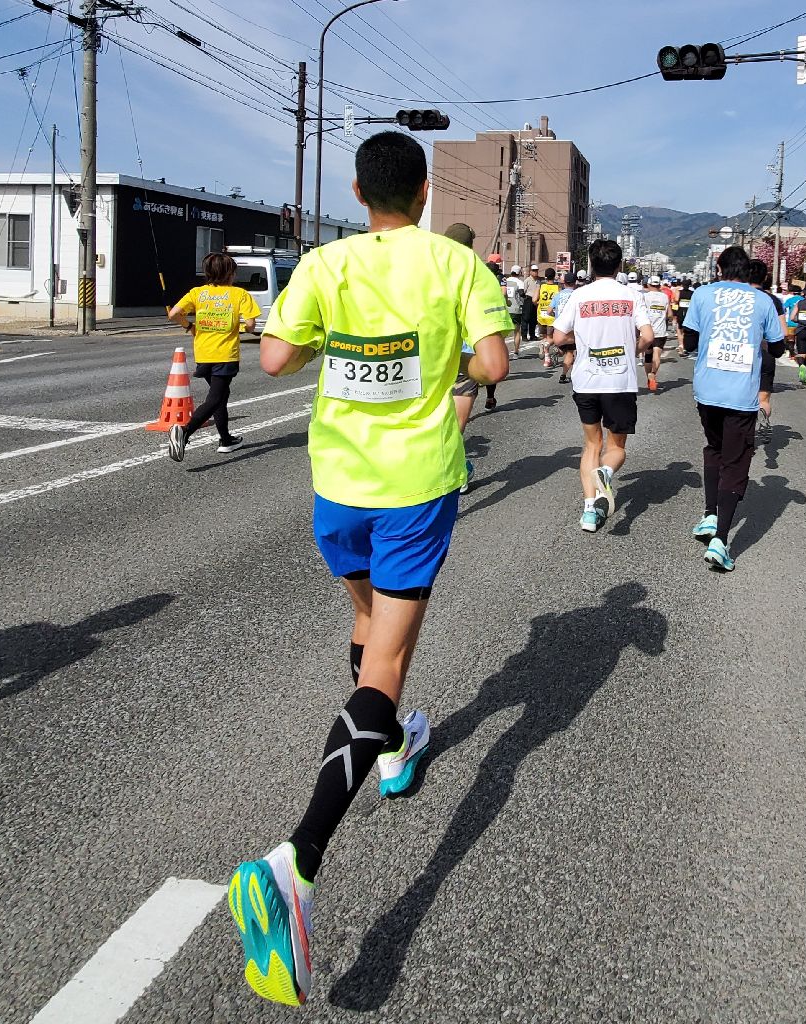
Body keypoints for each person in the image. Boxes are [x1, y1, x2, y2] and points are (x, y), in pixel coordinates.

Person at [227, 132, 511, 1008]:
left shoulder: (325, 262)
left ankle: (391, 748)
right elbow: (494, 365)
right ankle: (297, 861)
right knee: (385, 662)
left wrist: (331, 348)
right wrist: (440, 363)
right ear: (424, 192)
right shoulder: (459, 267)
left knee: (366, 626)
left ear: (358, 191)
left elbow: (273, 357)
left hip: (337, 482)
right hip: (416, 484)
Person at [683, 245, 785, 571]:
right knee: (737, 462)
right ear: (749, 271)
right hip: (741, 395)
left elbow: (688, 342)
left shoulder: (702, 294)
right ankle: (720, 542)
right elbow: (779, 347)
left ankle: (709, 516)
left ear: (719, 268)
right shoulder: (763, 301)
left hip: (707, 389)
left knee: (714, 450)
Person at [552, 238, 654, 533]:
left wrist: (582, 344)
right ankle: (606, 473)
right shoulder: (630, 295)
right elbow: (647, 336)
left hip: (586, 379)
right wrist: (630, 348)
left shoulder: (579, 296)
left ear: (591, 265)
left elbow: (558, 338)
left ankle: (588, 511)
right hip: (620, 379)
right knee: (616, 447)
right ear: (619, 265)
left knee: (591, 445)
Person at [166, 252, 261, 461]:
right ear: (230, 273)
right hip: (225, 355)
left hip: (203, 353)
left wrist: (190, 326)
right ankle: (184, 431)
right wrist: (243, 328)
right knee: (216, 397)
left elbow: (174, 314)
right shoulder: (239, 294)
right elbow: (252, 325)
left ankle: (226, 440)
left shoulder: (197, 293)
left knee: (221, 396)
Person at [443, 223, 498, 488]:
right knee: (457, 424)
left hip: (432, 355)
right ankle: (458, 474)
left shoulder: (428, 268)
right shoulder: (477, 272)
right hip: (466, 358)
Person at [748, 259, 785, 429]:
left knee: (739, 396)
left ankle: (744, 430)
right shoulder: (773, 300)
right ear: (764, 278)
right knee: (763, 398)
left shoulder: (737, 296)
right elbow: (782, 331)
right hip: (765, 352)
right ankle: (763, 418)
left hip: (739, 351)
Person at [642, 275, 670, 392]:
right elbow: (669, 314)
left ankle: (649, 376)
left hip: (647, 330)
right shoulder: (664, 297)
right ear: (659, 285)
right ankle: (653, 374)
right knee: (657, 355)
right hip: (660, 330)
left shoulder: (644, 297)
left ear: (648, 284)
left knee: (648, 356)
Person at [551, 271, 577, 384]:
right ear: (575, 282)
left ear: (564, 282)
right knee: (570, 352)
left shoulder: (558, 295)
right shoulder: (577, 295)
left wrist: (556, 315)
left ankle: (558, 349)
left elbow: (548, 310)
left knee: (564, 347)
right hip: (572, 328)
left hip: (559, 327)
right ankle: (563, 375)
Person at [536, 267, 560, 367]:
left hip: (541, 315)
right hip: (552, 316)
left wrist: (540, 302)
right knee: (552, 338)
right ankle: (546, 347)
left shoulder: (541, 286)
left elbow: (534, 299)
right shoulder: (557, 287)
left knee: (545, 337)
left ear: (545, 276)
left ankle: (547, 360)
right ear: (554, 276)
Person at [505, 264, 525, 359]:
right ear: (519, 273)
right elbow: (521, 294)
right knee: (517, 331)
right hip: (516, 309)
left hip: (505, 308)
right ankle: (516, 352)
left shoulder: (505, 281)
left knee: (504, 333)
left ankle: (502, 352)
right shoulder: (520, 282)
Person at [522, 264, 541, 344]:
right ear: (530, 272)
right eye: (533, 270)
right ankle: (524, 335)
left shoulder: (539, 281)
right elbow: (524, 290)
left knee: (533, 318)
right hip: (528, 299)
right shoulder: (527, 280)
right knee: (526, 318)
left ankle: (532, 335)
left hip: (536, 300)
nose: (535, 272)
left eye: (536, 270)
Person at [676, 279, 695, 356]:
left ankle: (681, 345)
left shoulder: (679, 292)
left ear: (682, 285)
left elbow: (676, 300)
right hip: (689, 313)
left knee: (679, 329)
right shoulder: (692, 293)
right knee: (686, 331)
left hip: (681, 312)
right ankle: (686, 346)